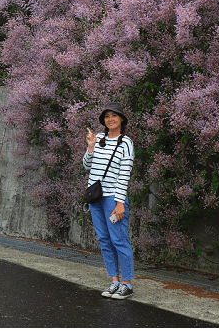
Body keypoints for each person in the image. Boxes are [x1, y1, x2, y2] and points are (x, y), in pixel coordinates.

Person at [83, 102, 135, 299]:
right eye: (107, 116)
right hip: (96, 197)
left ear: (122, 119)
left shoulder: (126, 143)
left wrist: (120, 202)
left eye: (114, 116)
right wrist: (90, 147)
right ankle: (114, 282)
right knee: (104, 240)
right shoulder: (99, 138)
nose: (110, 119)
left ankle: (127, 284)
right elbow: (86, 165)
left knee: (119, 239)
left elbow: (124, 174)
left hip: (114, 197)